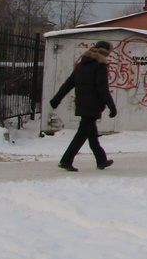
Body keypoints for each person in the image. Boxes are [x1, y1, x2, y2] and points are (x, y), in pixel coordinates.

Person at [50, 40, 118, 172]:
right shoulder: (100, 65)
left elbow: (69, 83)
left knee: (91, 134)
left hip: (82, 103)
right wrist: (112, 106)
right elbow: (102, 88)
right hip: (93, 105)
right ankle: (66, 160)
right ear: (106, 52)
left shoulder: (82, 65)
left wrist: (56, 99)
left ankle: (101, 160)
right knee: (82, 134)